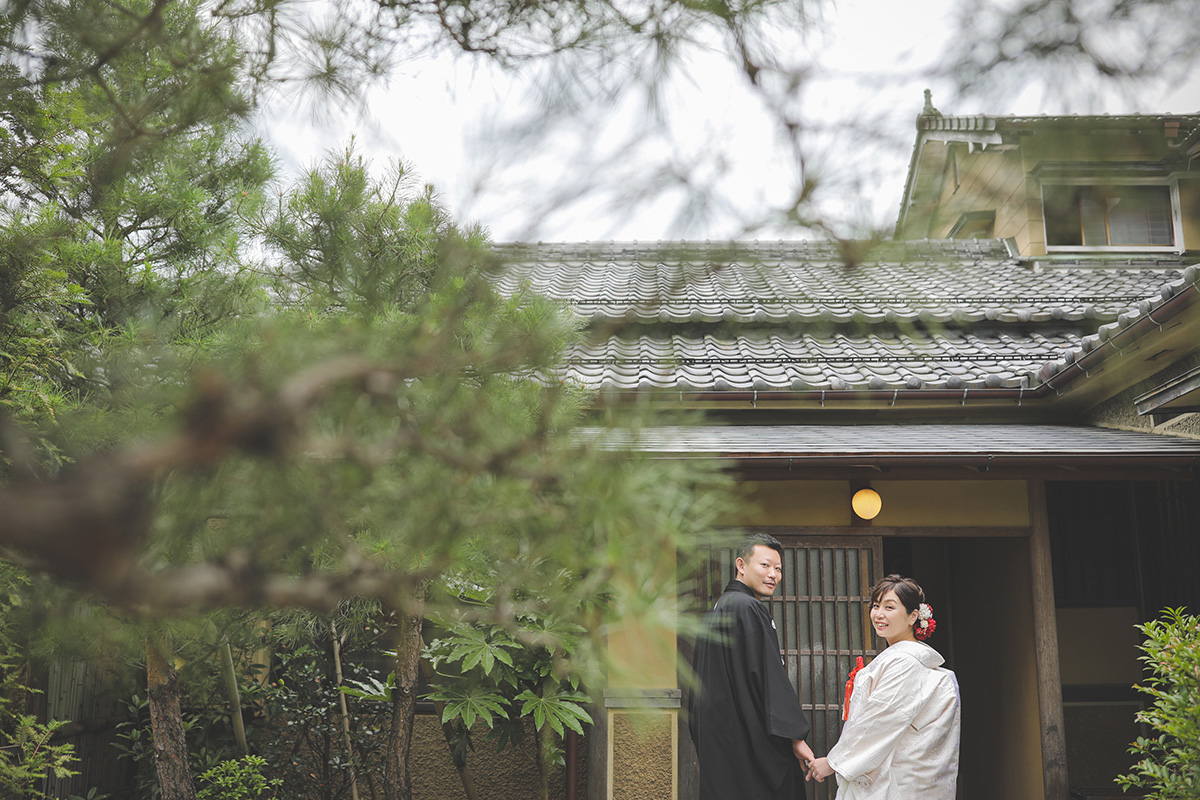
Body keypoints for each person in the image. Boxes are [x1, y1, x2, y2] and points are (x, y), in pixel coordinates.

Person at [806, 574, 960, 800]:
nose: (879, 614)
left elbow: (881, 719)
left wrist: (833, 762)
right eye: (876, 606)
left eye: (890, 607)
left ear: (913, 616)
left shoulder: (905, 661)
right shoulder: (906, 659)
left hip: (895, 780)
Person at [687, 533, 815, 800]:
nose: (773, 575)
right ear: (741, 565)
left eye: (778, 569)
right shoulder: (748, 608)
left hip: (720, 739)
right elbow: (767, 677)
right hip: (746, 740)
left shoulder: (719, 608)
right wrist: (794, 736)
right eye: (765, 565)